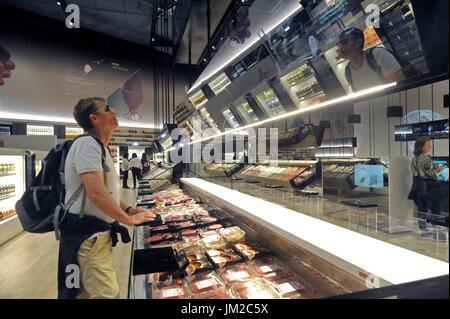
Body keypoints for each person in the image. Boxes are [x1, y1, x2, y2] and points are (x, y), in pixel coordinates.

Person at [59, 97, 155, 299]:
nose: (114, 111)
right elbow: (96, 194)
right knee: (108, 295)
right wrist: (128, 220)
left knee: (84, 293)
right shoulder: (87, 144)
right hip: (88, 236)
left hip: (94, 236)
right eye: (108, 109)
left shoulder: (99, 147)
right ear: (94, 118)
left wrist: (129, 209)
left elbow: (106, 193)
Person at [337, 27, 406, 92]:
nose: (341, 47)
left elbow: (401, 85)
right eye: (339, 44)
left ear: (358, 42)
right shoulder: (348, 71)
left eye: (345, 42)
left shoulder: (378, 54)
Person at [408, 137, 446, 236]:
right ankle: (436, 229)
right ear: (421, 147)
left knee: (421, 209)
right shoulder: (425, 157)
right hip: (429, 187)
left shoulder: (414, 158)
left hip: (417, 186)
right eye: (428, 145)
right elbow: (430, 173)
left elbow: (417, 172)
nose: (430, 147)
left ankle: (423, 230)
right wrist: (440, 169)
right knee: (436, 209)